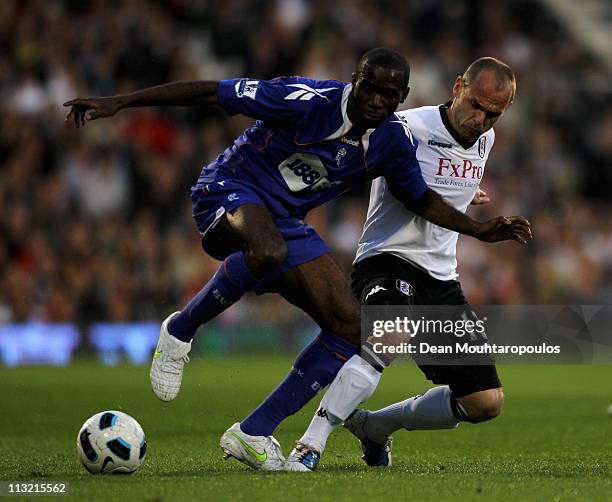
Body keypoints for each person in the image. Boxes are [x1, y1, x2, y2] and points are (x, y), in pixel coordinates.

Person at [64, 49, 531, 471]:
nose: (377, 102)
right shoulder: (306, 98)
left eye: (390, 95)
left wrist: (475, 224)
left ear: (400, 97)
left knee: (351, 326)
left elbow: (421, 196)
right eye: (370, 89)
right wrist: (120, 102)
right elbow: (212, 92)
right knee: (269, 251)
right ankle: (183, 330)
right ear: (355, 80)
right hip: (229, 189)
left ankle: (253, 431)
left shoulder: (392, 139)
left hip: (288, 221)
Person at [277, 57, 525, 471]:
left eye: (494, 113)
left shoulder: (486, 139)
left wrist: (467, 190)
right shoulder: (406, 127)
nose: (481, 120)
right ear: (457, 86)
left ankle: (375, 426)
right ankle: (310, 443)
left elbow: (452, 174)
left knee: (485, 403)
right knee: (388, 338)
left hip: (441, 278)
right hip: (386, 258)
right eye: (476, 105)